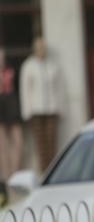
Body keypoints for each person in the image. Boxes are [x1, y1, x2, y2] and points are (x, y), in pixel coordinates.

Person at [20, 37, 62, 174]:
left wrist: (59, 108)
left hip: (51, 109)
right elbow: (25, 90)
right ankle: (44, 172)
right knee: (41, 144)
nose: (41, 50)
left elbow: (58, 88)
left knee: (52, 142)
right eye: (39, 47)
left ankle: (53, 170)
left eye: (43, 47)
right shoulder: (28, 66)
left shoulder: (52, 65)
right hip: (36, 111)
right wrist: (27, 112)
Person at [0, 48, 23, 206]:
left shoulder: (12, 70)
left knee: (18, 141)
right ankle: (7, 178)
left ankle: (15, 173)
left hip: (12, 102)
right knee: (2, 144)